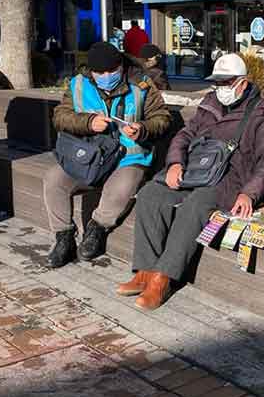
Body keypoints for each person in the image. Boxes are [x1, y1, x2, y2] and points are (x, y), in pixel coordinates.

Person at [117, 54, 264, 310]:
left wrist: (249, 193)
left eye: (226, 82)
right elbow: (185, 135)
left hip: (232, 179)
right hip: (197, 170)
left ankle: (164, 278)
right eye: (216, 82)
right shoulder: (210, 103)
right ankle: (146, 270)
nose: (220, 88)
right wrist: (175, 163)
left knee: (195, 205)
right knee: (151, 193)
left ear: (242, 83)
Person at [44, 42, 171, 268]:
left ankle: (97, 228)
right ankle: (63, 237)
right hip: (89, 157)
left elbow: (162, 117)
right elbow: (60, 117)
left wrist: (142, 128)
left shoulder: (142, 85)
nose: (105, 76)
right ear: (91, 71)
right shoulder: (78, 85)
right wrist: (88, 122)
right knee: (54, 179)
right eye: (99, 72)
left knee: (122, 186)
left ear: (121, 65)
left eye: (111, 71)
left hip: (128, 156)